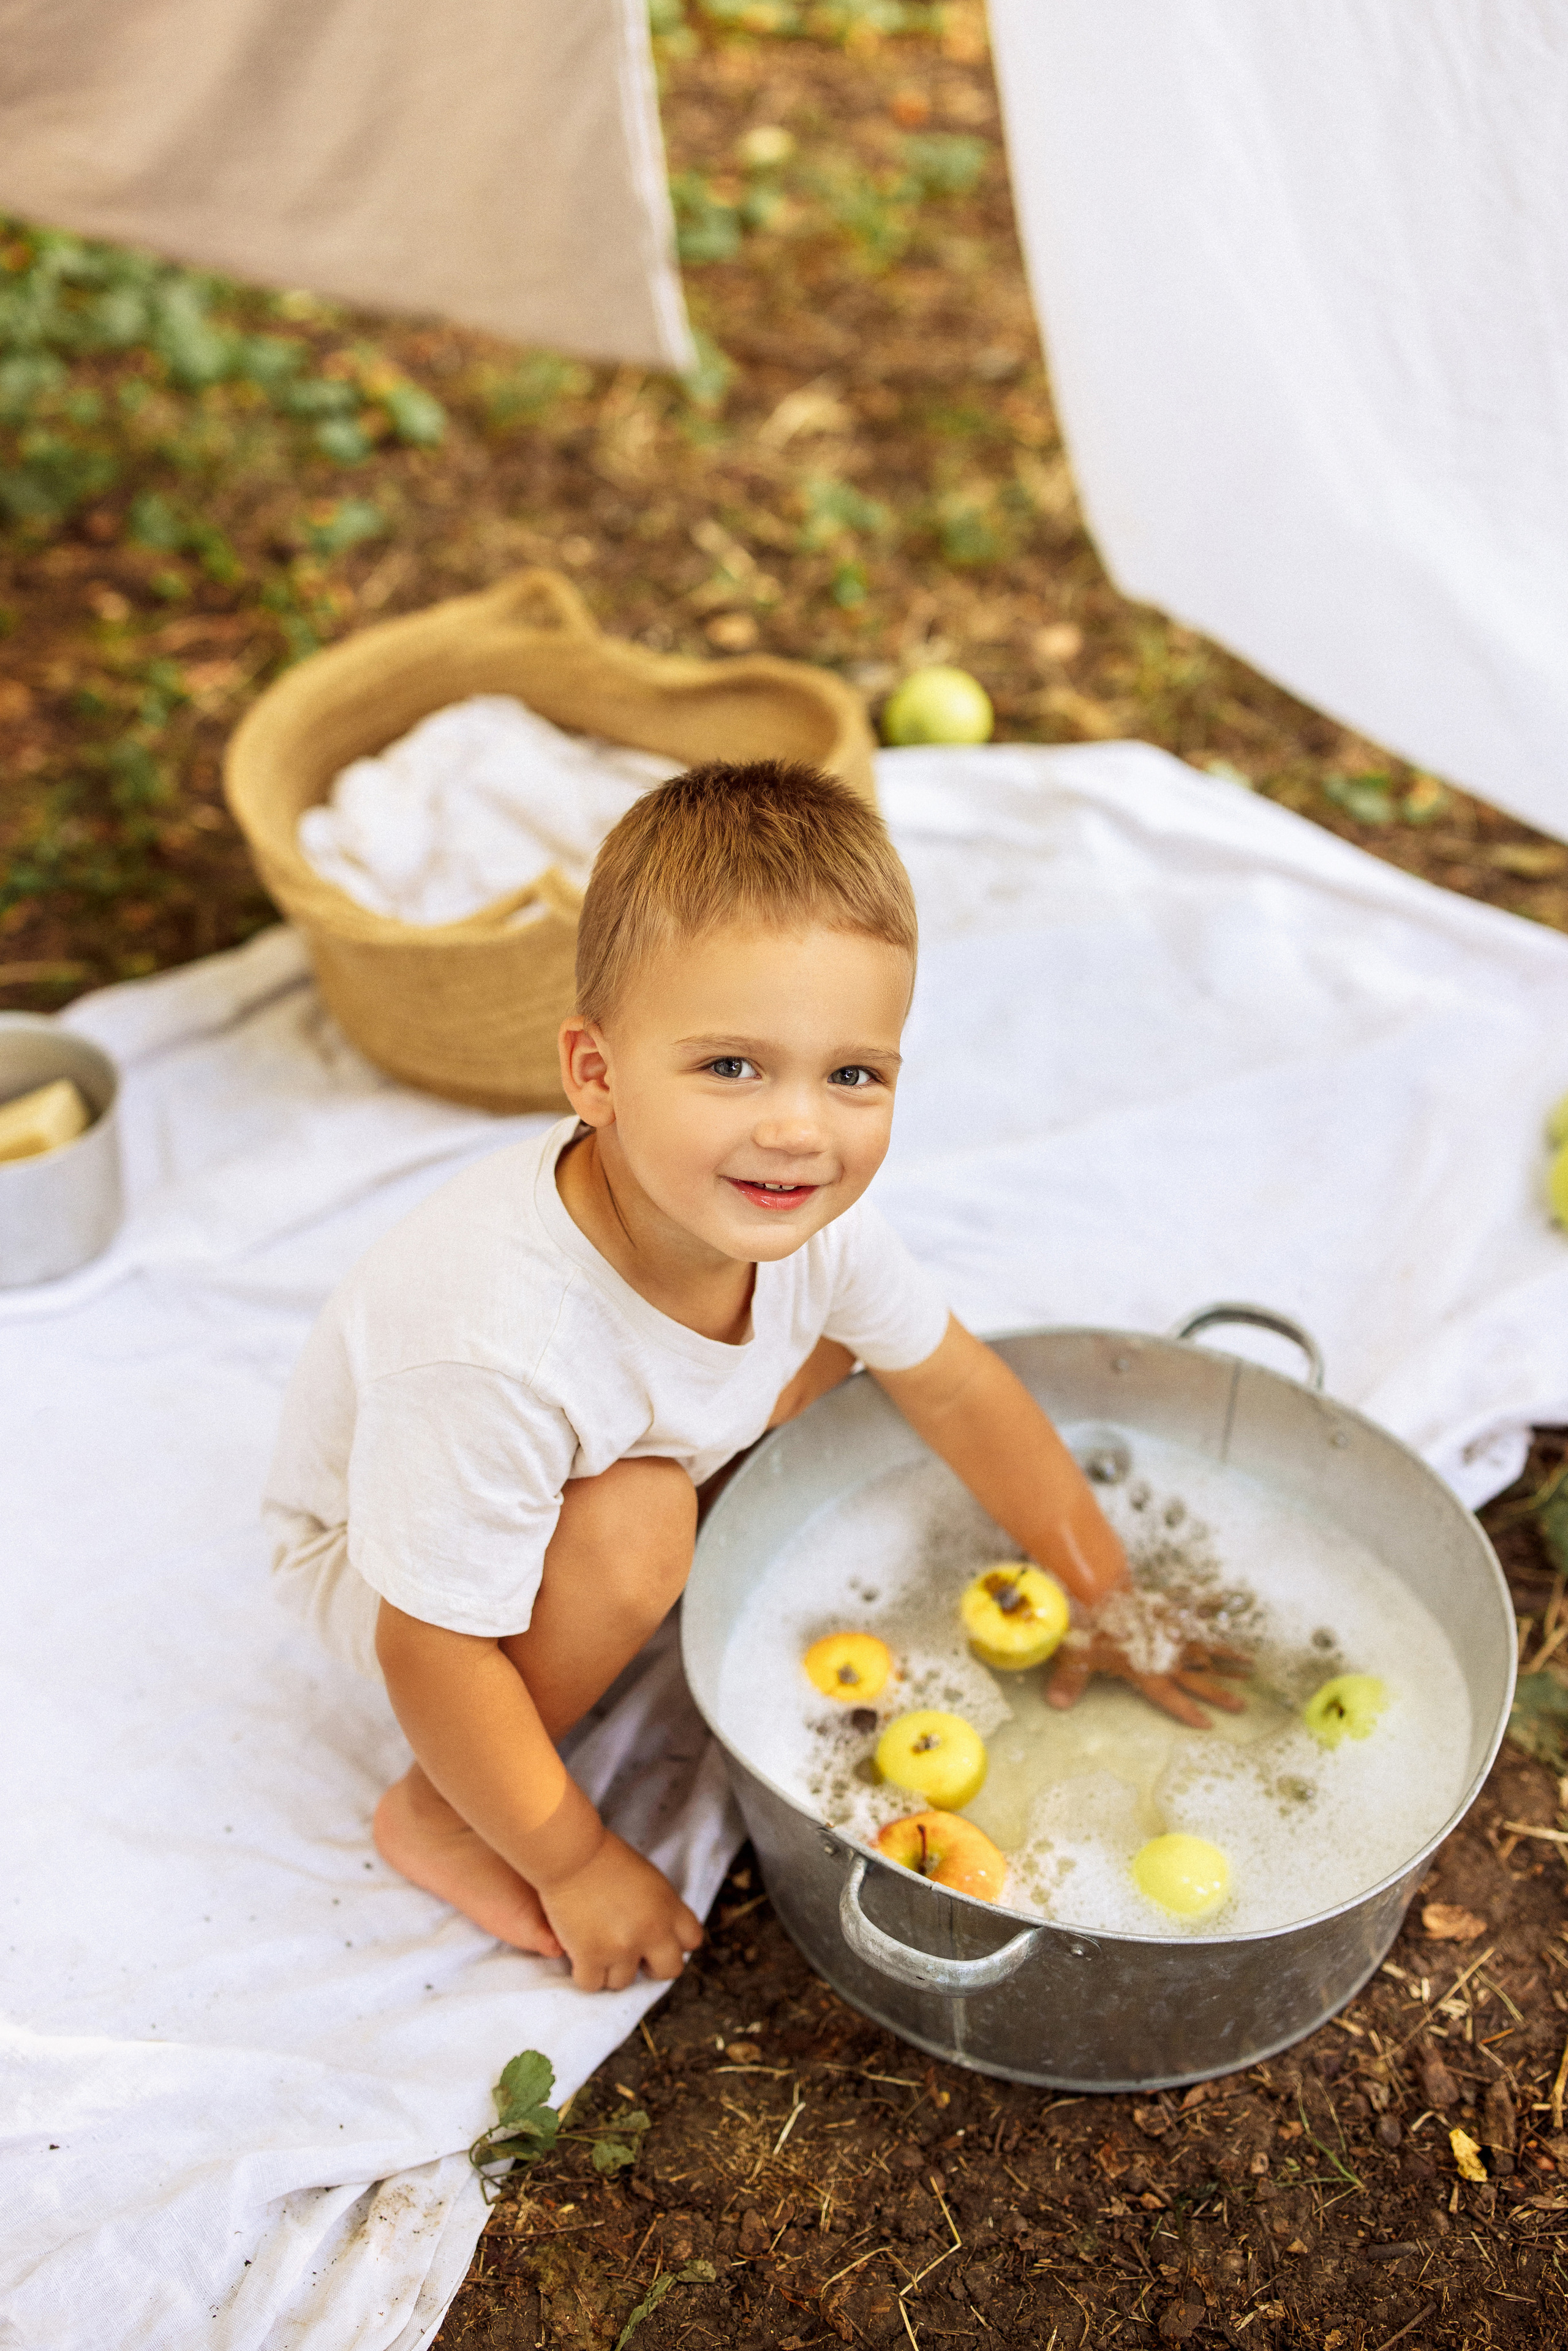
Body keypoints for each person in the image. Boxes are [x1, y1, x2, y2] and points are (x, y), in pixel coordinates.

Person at [264, 760, 1240, 1993]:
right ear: (594, 1071)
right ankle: (441, 1815)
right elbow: (427, 1647)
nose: (798, 1128)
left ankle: (682, 1506)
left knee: (849, 1341)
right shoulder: (495, 1342)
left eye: (851, 1074)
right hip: (379, 1560)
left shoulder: (800, 1221)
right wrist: (569, 1859)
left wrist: (1105, 1591)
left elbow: (955, 1386)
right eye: (730, 1066)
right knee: (636, 1525)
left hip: (567, 1451)